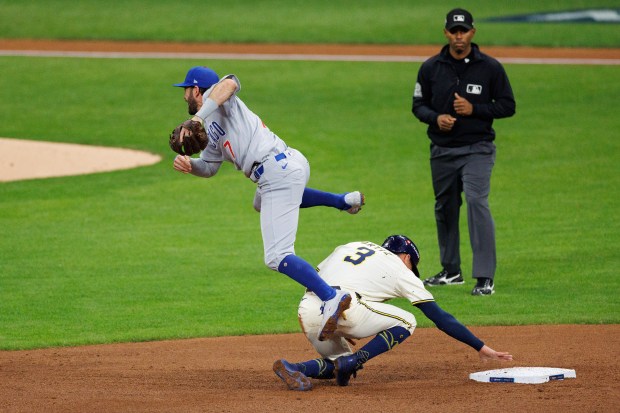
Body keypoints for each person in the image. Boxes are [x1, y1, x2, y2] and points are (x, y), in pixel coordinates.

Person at [172, 66, 365, 340]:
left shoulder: (225, 100)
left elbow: (228, 84)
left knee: (277, 256)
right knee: (261, 203)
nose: (184, 98)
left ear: (197, 89)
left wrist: (198, 118)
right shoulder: (211, 130)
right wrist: (190, 165)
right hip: (285, 168)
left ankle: (331, 296)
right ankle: (341, 201)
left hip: (277, 171)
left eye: (186, 91)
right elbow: (210, 167)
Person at [272, 235, 513, 391]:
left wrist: (337, 323)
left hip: (309, 308)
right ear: (407, 257)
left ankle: (296, 367)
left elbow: (312, 276)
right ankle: (355, 359)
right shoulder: (400, 269)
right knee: (408, 320)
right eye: (412, 265)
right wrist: (479, 346)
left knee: (337, 364)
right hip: (349, 306)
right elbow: (439, 317)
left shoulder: (351, 245)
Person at [411, 9, 516, 296]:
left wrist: (475, 109)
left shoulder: (490, 68)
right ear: (446, 32)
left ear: (473, 32)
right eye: (454, 31)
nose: (459, 36)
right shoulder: (431, 68)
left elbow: (508, 105)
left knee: (476, 202)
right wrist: (436, 119)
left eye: (464, 31)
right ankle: (451, 271)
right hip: (442, 151)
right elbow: (418, 105)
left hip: (477, 149)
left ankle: (484, 277)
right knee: (444, 207)